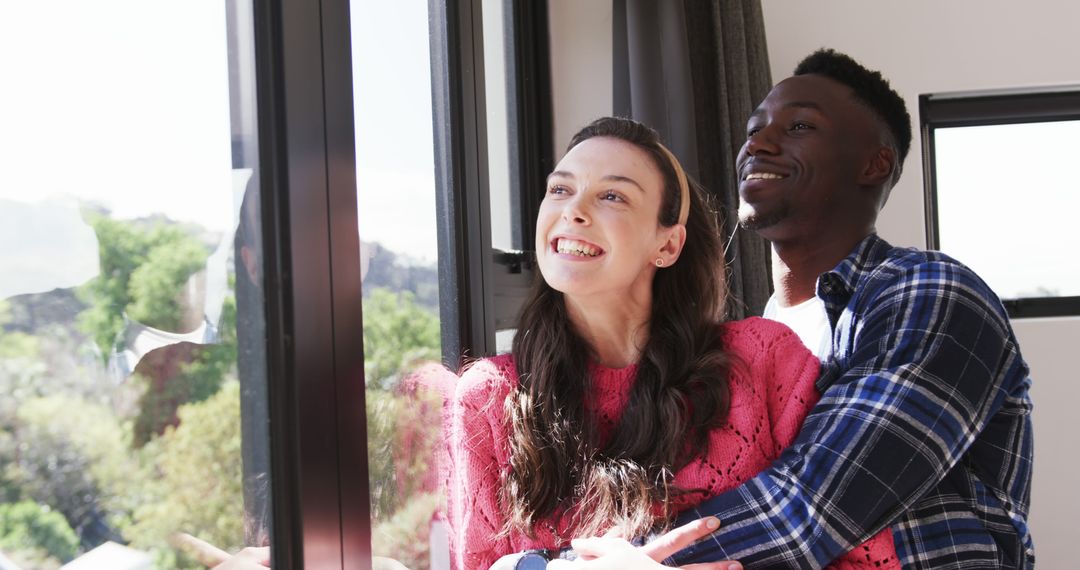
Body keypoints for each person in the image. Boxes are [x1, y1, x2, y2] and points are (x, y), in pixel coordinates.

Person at [556, 50, 1035, 569]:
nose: (757, 144)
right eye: (753, 130)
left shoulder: (931, 293)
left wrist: (576, 563)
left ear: (874, 164)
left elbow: (809, 510)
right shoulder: (741, 346)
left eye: (800, 126)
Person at [447, 116, 899, 570]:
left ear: (667, 245)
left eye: (612, 196)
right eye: (560, 189)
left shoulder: (763, 359)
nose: (573, 210)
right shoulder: (488, 397)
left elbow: (866, 558)